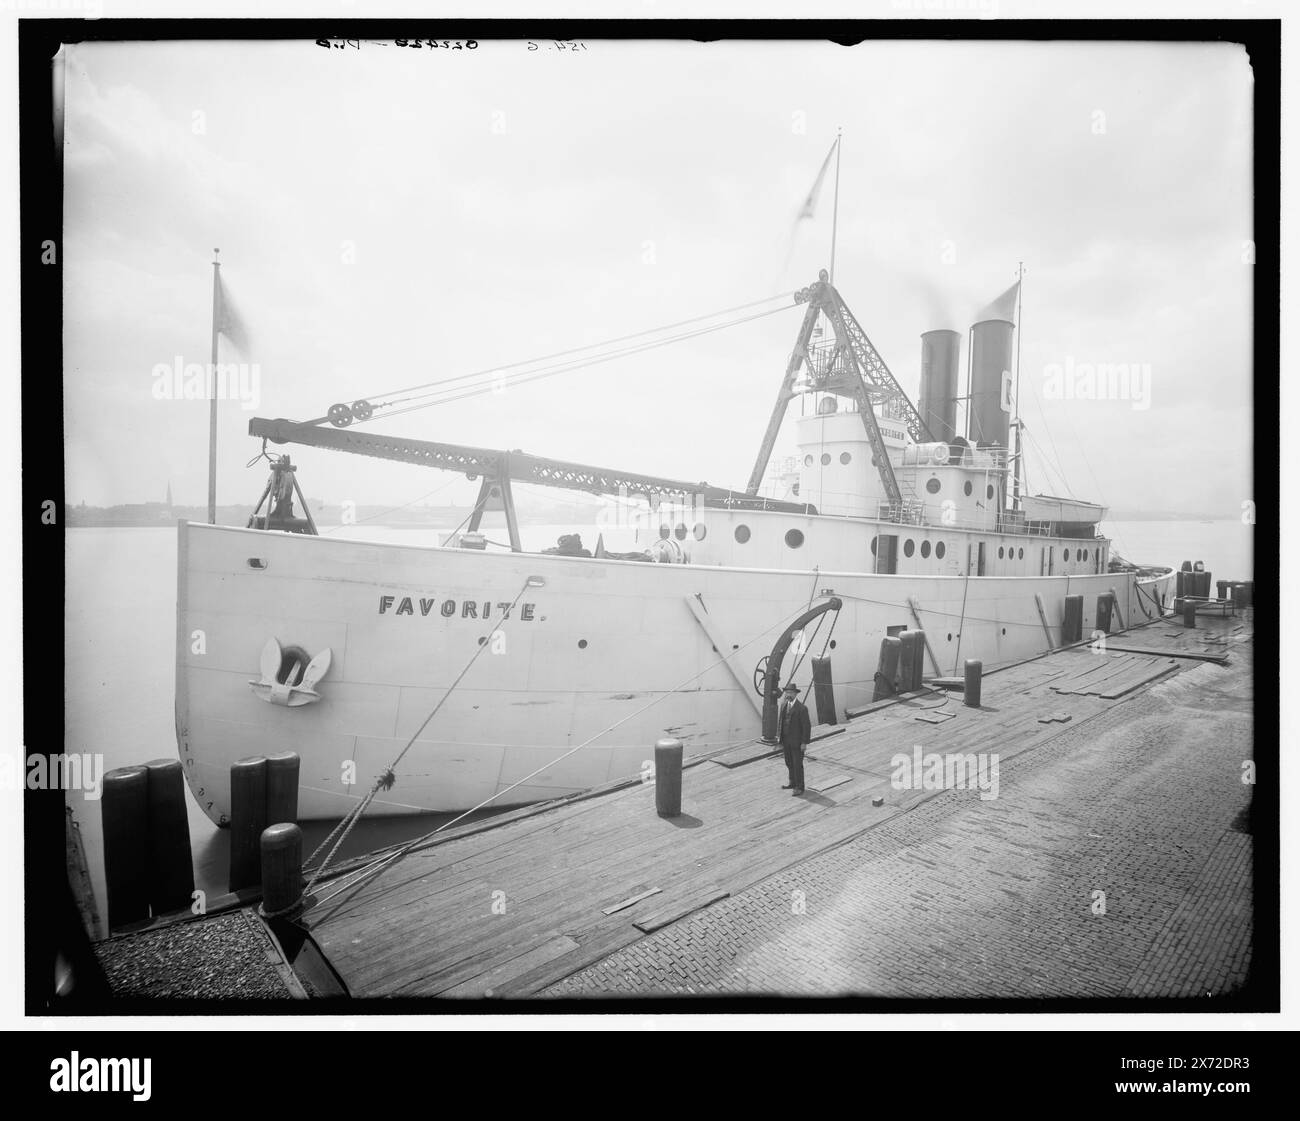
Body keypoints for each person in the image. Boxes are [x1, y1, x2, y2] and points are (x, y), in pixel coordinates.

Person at [777, 681, 811, 795]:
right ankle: (792, 783)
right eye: (787, 692)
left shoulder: (802, 708)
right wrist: (780, 740)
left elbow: (806, 727)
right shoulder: (783, 705)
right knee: (789, 762)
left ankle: (800, 787)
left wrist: (804, 742)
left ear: (795, 694)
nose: (788, 695)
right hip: (786, 741)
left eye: (791, 692)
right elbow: (780, 723)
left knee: (797, 764)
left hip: (797, 742)